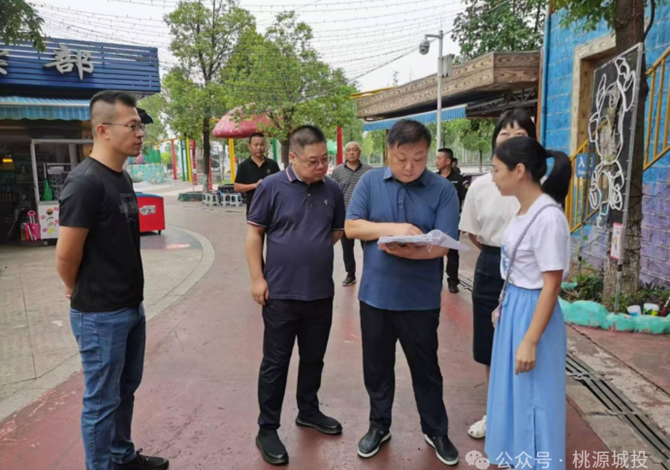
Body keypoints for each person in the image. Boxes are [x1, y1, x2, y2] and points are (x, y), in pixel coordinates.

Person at [56, 90, 169, 470]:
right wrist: (74, 287)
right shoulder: (84, 183)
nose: (140, 133)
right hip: (100, 314)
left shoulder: (120, 177)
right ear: (103, 130)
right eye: (132, 125)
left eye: (140, 126)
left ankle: (122, 455)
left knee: (125, 390)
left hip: (130, 307)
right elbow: (66, 256)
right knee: (101, 401)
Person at [346, 120, 461, 466]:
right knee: (377, 367)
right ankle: (379, 425)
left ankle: (436, 430)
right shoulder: (370, 182)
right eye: (401, 159)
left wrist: (408, 251)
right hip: (375, 297)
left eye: (419, 158)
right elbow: (352, 227)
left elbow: (444, 245)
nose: (410, 167)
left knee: (426, 369)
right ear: (388, 153)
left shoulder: (443, 190)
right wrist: (396, 229)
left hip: (420, 300)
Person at [246, 125, 346, 466]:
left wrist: (308, 249)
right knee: (275, 363)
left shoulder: (332, 189)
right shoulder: (271, 187)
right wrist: (258, 279)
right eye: (313, 161)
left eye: (325, 159)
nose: (321, 167)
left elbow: (334, 232)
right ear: (292, 157)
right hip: (280, 295)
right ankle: (267, 428)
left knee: (314, 358)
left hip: (319, 293)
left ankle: (308, 410)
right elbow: (254, 234)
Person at [486, 136, 571, 469]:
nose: (493, 176)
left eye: (496, 169)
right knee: (515, 396)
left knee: (534, 400)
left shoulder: (548, 217)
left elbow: (551, 284)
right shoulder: (524, 210)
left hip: (534, 313)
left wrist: (531, 341)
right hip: (515, 308)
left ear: (519, 170)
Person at [459, 109, 537, 439]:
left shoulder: (543, 184)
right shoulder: (481, 185)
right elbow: (474, 233)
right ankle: (496, 414)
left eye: (520, 135)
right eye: (505, 134)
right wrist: (499, 254)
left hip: (532, 270)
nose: (511, 140)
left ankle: (527, 416)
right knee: (491, 346)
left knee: (527, 343)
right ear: (495, 141)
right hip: (492, 264)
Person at [331, 141, 372, 286]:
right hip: (345, 215)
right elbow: (333, 193)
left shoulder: (369, 170)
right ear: (345, 153)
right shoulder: (337, 171)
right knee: (347, 248)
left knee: (368, 247)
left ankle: (369, 273)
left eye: (355, 150)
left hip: (364, 216)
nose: (352, 152)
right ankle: (350, 274)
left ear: (359, 152)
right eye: (348, 150)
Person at [436, 148, 467, 293]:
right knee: (435, 250)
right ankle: (436, 279)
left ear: (448, 161)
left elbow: (465, 201)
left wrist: (464, 222)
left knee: (452, 251)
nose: (436, 161)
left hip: (453, 221)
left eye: (439, 158)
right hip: (435, 220)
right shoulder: (433, 179)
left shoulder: (459, 179)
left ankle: (453, 281)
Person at [234, 132, 281, 215]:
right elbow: (237, 187)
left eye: (262, 144)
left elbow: (280, 184)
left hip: (272, 209)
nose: (259, 148)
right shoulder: (243, 166)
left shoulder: (272, 164)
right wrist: (255, 185)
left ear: (265, 146)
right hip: (253, 209)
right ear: (249, 146)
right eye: (256, 145)